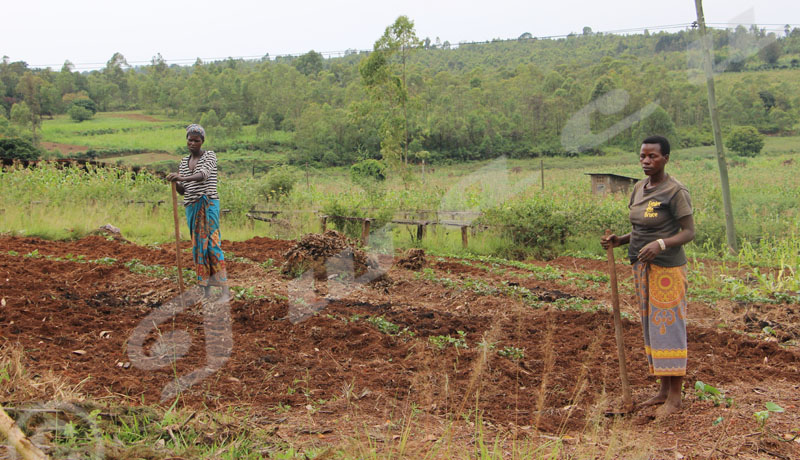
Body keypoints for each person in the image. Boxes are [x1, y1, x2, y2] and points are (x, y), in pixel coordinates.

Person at [601, 135, 695, 416]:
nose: (646, 161)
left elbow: (689, 232)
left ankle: (675, 399)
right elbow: (642, 230)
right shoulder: (640, 188)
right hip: (641, 266)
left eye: (652, 156)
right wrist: (621, 240)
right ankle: (663, 391)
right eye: (643, 156)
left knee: (669, 326)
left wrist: (662, 244)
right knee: (653, 328)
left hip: (667, 269)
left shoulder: (675, 191)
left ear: (666, 158)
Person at [166, 124, 230, 300]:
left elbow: (203, 175)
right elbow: (183, 190)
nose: (192, 143)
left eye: (196, 140)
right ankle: (206, 289)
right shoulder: (184, 162)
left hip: (208, 203)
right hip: (192, 207)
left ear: (202, 141)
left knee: (212, 244)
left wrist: (182, 177)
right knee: (198, 247)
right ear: (186, 140)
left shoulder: (209, 156)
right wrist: (175, 181)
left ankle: (225, 290)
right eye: (190, 140)